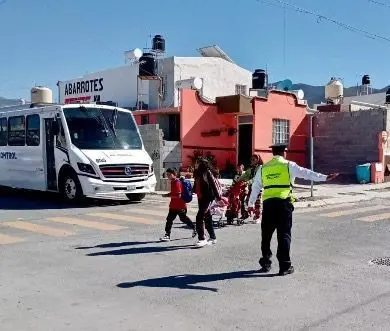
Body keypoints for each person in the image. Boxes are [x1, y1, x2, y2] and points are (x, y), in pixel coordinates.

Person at [248, 143, 338, 276]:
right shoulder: (288, 165)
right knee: (284, 235)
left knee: (266, 235)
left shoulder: (263, 168)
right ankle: (284, 266)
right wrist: (324, 177)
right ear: (284, 152)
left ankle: (266, 263)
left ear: (273, 154)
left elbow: (255, 186)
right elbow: (306, 174)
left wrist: (250, 204)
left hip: (268, 204)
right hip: (283, 204)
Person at [160, 168, 197, 241]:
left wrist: (168, 196)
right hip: (173, 206)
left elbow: (178, 196)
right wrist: (166, 195)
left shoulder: (177, 183)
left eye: (169, 174)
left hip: (180, 206)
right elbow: (173, 193)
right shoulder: (173, 182)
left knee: (183, 219)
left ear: (175, 174)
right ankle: (167, 235)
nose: (168, 176)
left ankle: (194, 228)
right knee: (169, 220)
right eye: (167, 175)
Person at [193, 158, 222, 248]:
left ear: (201, 164)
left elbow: (213, 185)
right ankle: (213, 238)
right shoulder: (197, 173)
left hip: (208, 198)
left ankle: (202, 239)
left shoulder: (207, 172)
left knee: (200, 217)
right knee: (207, 217)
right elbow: (196, 185)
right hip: (200, 198)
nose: (195, 164)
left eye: (197, 163)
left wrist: (218, 198)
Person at [237, 154, 263, 223]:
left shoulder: (260, 168)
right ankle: (249, 213)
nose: (252, 161)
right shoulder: (251, 169)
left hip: (258, 188)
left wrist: (248, 182)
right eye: (251, 159)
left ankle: (257, 217)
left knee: (257, 203)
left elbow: (256, 178)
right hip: (251, 188)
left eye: (254, 159)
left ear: (258, 160)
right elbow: (243, 176)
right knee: (247, 201)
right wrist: (237, 182)